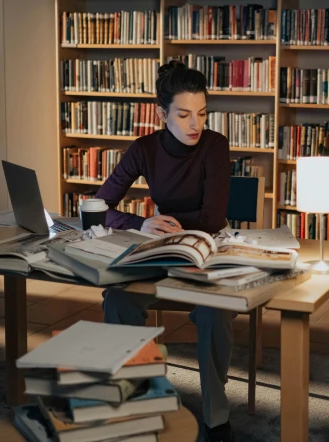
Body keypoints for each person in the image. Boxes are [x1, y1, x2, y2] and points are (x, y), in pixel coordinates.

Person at [95, 61, 235, 442]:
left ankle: (215, 411)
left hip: (208, 247)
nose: (196, 125)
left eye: (203, 114)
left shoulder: (215, 145)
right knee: (118, 297)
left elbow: (212, 217)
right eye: (185, 114)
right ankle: (132, 397)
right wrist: (139, 223)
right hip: (161, 244)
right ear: (162, 113)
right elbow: (98, 205)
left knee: (214, 309)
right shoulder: (144, 149)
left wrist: (165, 217)